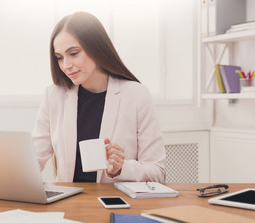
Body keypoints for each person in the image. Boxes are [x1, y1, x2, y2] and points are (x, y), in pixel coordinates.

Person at [32, 11, 165, 183]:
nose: (66, 65)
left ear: (96, 48)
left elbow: (157, 171)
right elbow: (33, 158)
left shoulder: (137, 95)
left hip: (114, 202)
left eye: (73, 53)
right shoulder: (53, 96)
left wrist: (121, 168)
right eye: (59, 57)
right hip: (68, 202)